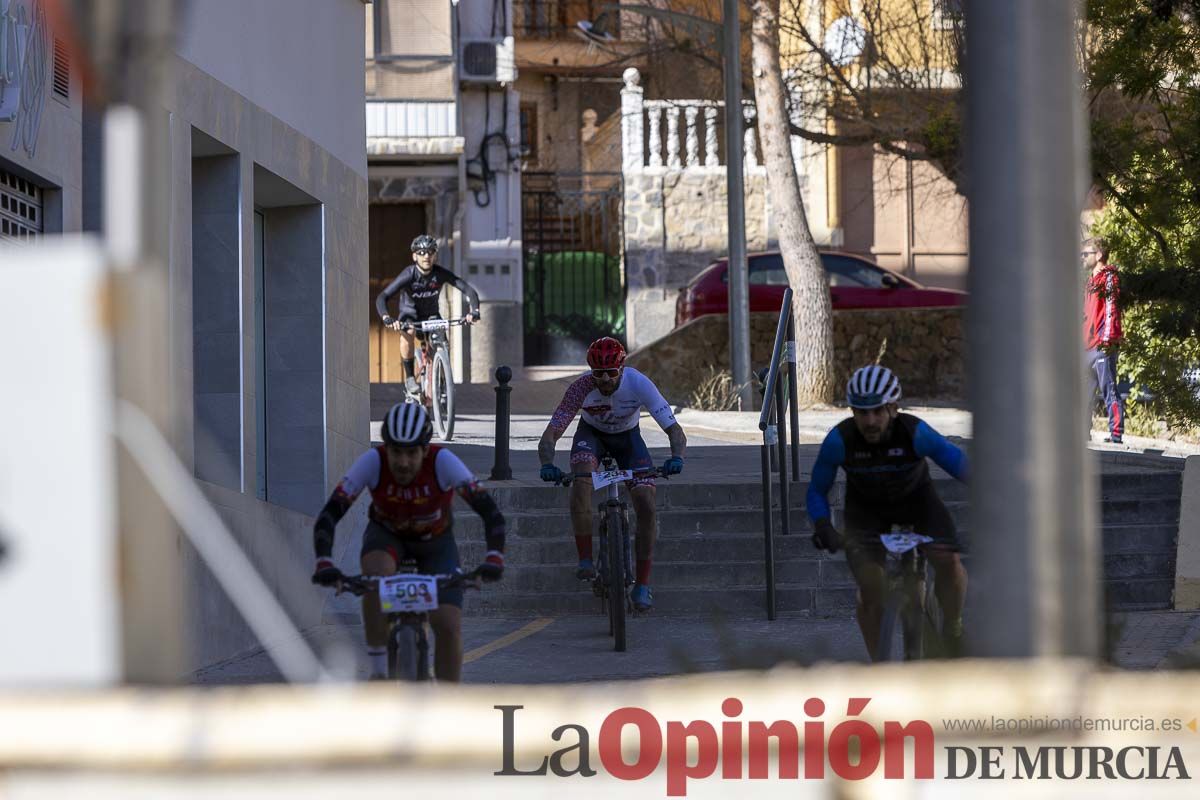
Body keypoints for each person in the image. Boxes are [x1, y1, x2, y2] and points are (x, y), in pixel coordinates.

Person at [311, 402, 506, 681]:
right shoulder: (372, 461)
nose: (403, 462)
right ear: (386, 448)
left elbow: (490, 512)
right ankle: (379, 671)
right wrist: (324, 561)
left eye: (412, 453)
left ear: (426, 450)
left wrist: (494, 557)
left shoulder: (444, 461)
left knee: (448, 625)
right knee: (375, 578)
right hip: (387, 537)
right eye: (396, 452)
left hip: (436, 544)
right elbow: (331, 513)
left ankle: (449, 704)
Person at [806, 365, 969, 659]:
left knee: (948, 559)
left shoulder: (916, 433)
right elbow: (817, 489)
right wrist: (823, 525)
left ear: (893, 409)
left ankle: (954, 626)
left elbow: (962, 466)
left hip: (918, 502)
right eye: (861, 412)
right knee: (870, 593)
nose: (869, 420)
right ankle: (879, 666)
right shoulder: (839, 440)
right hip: (867, 511)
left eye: (878, 411)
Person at [537, 337, 687, 612]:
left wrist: (676, 457)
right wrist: (547, 463)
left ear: (622, 367)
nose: (604, 379)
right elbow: (551, 434)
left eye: (610, 373)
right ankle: (585, 559)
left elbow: (675, 430)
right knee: (581, 480)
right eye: (598, 374)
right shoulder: (581, 387)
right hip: (591, 435)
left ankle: (642, 585)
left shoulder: (638, 383)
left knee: (646, 503)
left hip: (628, 439)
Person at [376, 235, 482, 396]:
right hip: (410, 315)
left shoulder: (439, 274)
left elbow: (468, 289)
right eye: (422, 252)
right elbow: (383, 296)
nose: (426, 256)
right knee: (408, 333)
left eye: (430, 252)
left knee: (441, 341)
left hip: (431, 315)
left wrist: (474, 311)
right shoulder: (409, 274)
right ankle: (410, 377)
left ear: (435, 255)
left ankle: (442, 376)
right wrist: (386, 317)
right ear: (414, 256)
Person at [1083, 236, 1125, 444]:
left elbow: (1111, 308)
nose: (1082, 257)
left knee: (1109, 389)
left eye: (1086, 254)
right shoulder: (1090, 281)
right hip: (1087, 346)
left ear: (1098, 255)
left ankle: (1116, 434)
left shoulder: (1108, 277)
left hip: (1103, 344)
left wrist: (1107, 340)